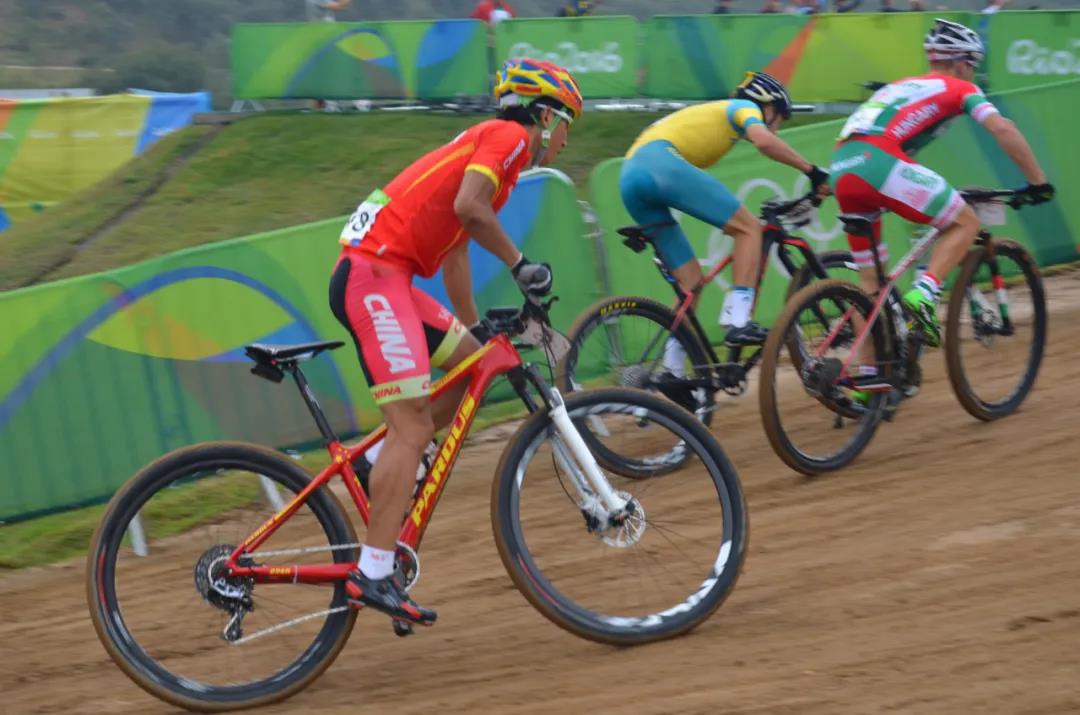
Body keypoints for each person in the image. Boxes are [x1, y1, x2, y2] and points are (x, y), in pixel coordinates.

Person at [329, 58, 583, 626]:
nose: (566, 141)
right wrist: (520, 264)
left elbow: (457, 248)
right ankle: (373, 571)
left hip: (384, 276)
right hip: (375, 277)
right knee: (414, 427)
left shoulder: (490, 152)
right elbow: (470, 209)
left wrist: (473, 334)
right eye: (568, 125)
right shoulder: (510, 138)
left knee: (473, 369)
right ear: (547, 117)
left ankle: (376, 461)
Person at [829, 18, 1053, 369]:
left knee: (869, 286)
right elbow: (1003, 128)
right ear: (962, 63)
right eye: (973, 66)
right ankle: (925, 293)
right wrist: (1038, 181)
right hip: (878, 162)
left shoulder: (902, 86)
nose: (973, 74)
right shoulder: (960, 87)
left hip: (842, 167)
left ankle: (867, 378)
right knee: (964, 221)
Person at [619, 71, 830, 354]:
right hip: (659, 163)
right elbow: (764, 142)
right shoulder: (743, 108)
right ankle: (738, 320)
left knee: (691, 283)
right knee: (749, 228)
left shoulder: (713, 114)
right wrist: (813, 172)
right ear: (767, 106)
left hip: (629, 177)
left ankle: (672, 367)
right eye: (779, 118)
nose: (777, 128)